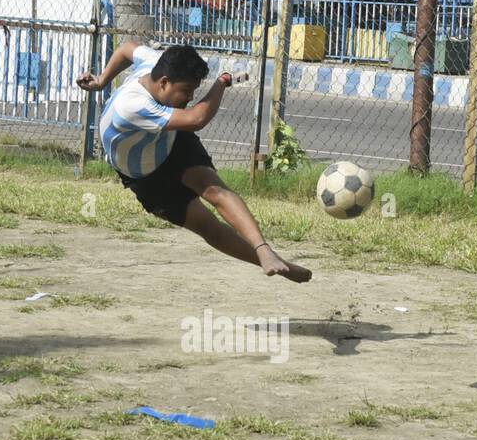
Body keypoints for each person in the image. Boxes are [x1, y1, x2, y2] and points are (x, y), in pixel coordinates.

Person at [77, 42, 312, 283]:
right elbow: (196, 118)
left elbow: (126, 48)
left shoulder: (155, 62)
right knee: (209, 228)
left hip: (169, 141)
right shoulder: (132, 105)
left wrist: (102, 80)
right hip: (146, 176)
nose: (190, 97)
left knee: (214, 188)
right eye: (186, 90)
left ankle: (265, 250)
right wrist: (222, 82)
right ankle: (276, 264)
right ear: (164, 82)